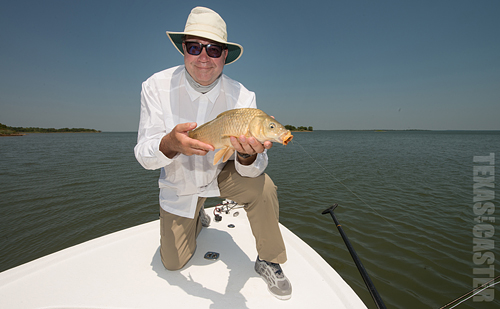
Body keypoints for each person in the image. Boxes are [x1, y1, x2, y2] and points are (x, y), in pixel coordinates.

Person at [134, 7, 291, 300]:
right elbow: (143, 155)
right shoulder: (154, 86)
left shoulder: (244, 96)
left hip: (223, 174)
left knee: (264, 187)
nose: (203, 57)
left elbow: (255, 168)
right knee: (173, 263)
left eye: (214, 50)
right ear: (184, 49)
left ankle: (269, 259)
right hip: (181, 180)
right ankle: (196, 216)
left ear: (225, 56)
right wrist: (169, 144)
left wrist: (246, 156)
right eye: (194, 47)